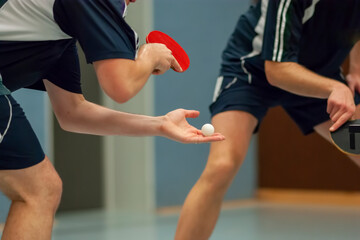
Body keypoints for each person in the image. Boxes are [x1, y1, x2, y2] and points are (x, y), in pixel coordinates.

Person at [0, 0, 225, 239]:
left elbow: (72, 113)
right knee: (40, 190)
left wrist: (160, 124)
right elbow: (121, 85)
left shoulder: (57, 34)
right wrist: (149, 56)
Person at [175, 0, 360, 239]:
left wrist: (356, 68)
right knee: (222, 165)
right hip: (253, 71)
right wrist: (336, 87)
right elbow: (277, 71)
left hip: (318, 75)